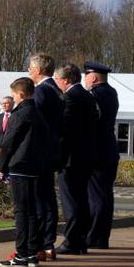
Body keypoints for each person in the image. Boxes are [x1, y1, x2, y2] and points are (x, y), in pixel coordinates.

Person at [0, 77, 49, 267]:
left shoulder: (21, 113)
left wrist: (2, 166)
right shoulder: (38, 113)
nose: (13, 99)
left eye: (15, 95)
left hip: (19, 167)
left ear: (21, 94)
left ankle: (21, 255)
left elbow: (9, 141)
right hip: (34, 167)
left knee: (21, 212)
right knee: (32, 212)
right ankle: (32, 253)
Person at [54, 63, 99, 255]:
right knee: (81, 200)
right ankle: (80, 240)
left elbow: (64, 129)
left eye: (57, 79)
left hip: (72, 159)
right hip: (87, 157)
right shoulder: (88, 96)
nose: (56, 83)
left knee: (71, 201)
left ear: (66, 80)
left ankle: (72, 241)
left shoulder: (70, 98)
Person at [28, 53, 64, 261]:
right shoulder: (56, 90)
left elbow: (36, 124)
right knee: (48, 199)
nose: (29, 72)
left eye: (31, 68)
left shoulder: (41, 91)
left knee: (40, 200)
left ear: (39, 70)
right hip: (52, 153)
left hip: (40, 154)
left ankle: (41, 244)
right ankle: (48, 243)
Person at [83, 60, 119, 249]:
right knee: (105, 195)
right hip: (109, 150)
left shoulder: (94, 95)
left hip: (97, 152)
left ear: (94, 77)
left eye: (87, 76)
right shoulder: (112, 92)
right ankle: (100, 236)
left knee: (96, 197)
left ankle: (95, 237)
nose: (85, 80)